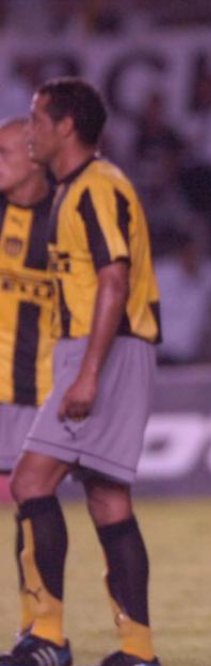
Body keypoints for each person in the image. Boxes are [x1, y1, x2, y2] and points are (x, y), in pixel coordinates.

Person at [0, 78, 164, 666]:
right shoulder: (79, 189)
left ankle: (45, 636)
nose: (30, 128)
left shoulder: (96, 187)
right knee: (105, 496)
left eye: (37, 118)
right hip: (101, 348)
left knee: (31, 481)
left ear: (66, 126)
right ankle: (138, 652)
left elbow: (113, 281)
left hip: (105, 349)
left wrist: (88, 372)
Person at [0, 117, 55, 508]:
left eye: (3, 154)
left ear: (35, 158)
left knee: (34, 507)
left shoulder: (67, 218)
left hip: (41, 395)